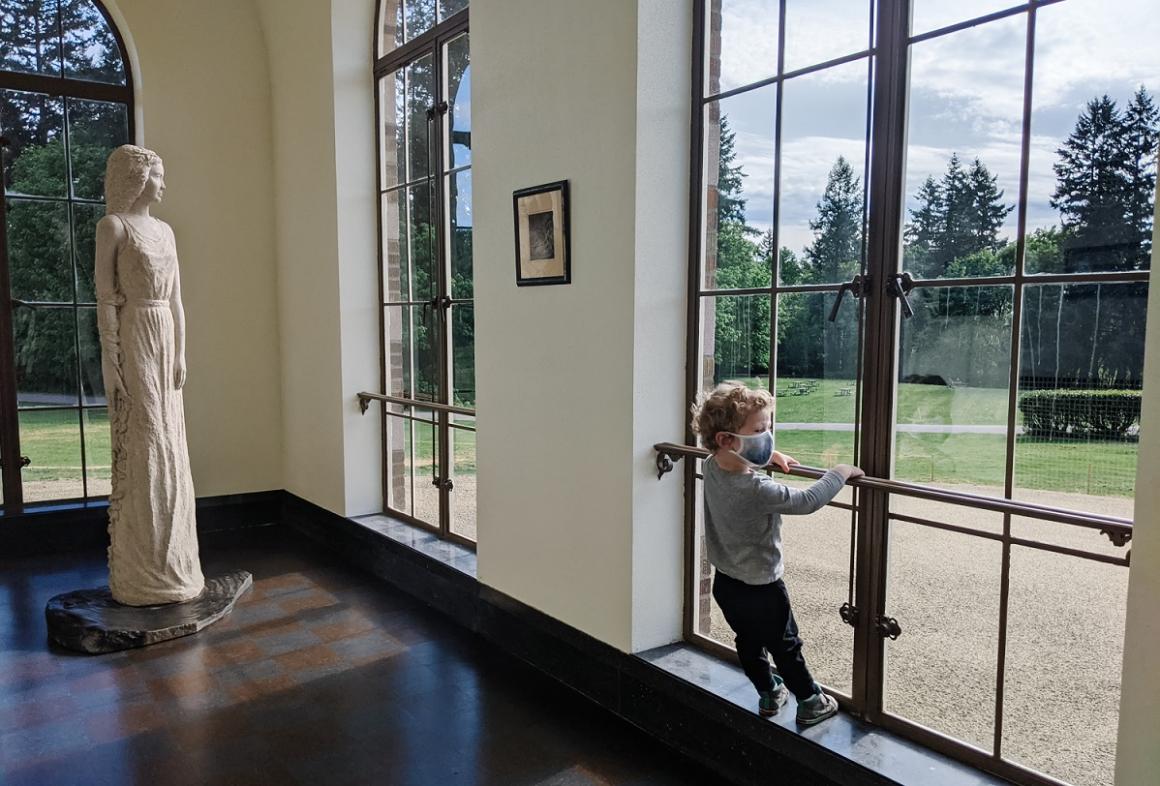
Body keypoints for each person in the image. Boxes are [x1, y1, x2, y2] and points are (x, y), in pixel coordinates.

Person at [691, 382, 863, 725]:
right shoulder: (756, 488)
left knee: (749, 643)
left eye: (768, 428)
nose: (767, 435)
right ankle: (811, 701)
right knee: (786, 646)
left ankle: (769, 692)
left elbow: (737, 458)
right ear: (727, 439)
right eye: (760, 430)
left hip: (726, 582)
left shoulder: (712, 466)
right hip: (764, 588)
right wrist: (840, 473)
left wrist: (769, 457)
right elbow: (807, 500)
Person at [96, 145, 204, 606]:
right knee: (146, 437)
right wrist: (113, 357)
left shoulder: (165, 231)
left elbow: (177, 300)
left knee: (171, 440)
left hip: (163, 336)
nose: (163, 184)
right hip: (135, 332)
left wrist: (181, 352)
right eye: (158, 176)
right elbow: (104, 298)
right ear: (139, 179)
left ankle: (175, 563)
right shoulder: (113, 228)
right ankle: (141, 569)